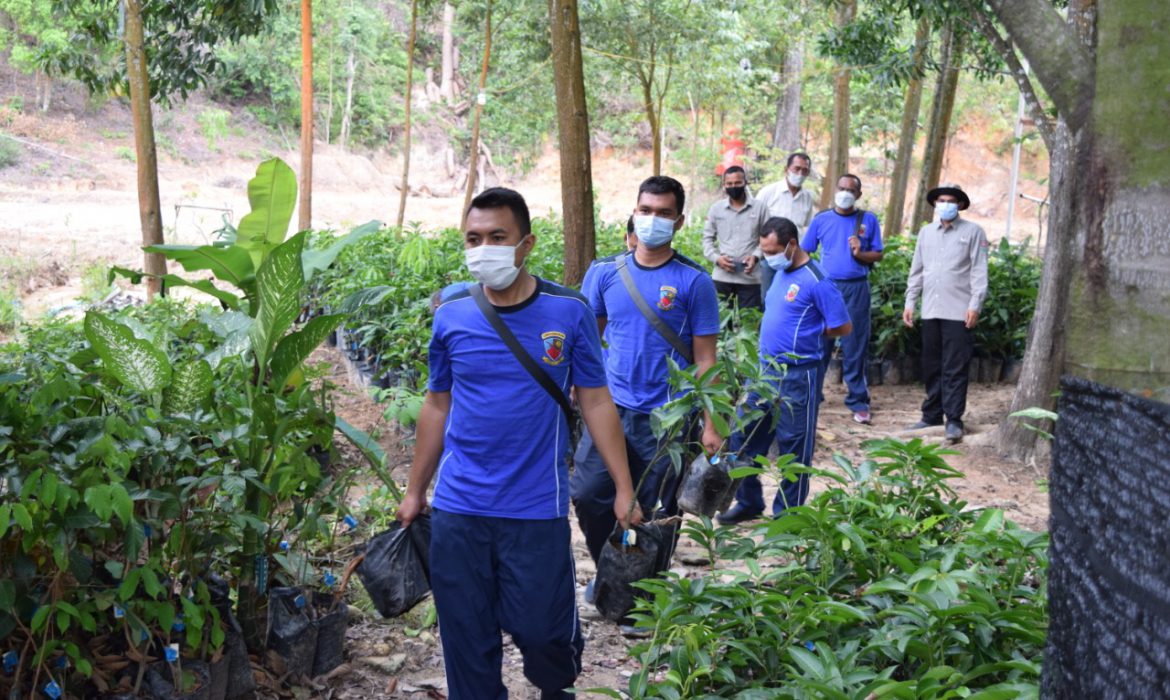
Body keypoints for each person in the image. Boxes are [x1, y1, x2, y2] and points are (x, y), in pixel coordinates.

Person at [397, 187, 642, 700]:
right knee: (465, 636)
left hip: (535, 508)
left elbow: (595, 401)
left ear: (525, 243)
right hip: (460, 506)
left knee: (543, 632)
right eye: (473, 238)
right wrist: (415, 490)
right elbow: (437, 405)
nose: (483, 247)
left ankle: (556, 688)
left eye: (497, 237)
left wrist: (624, 487)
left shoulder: (568, 310)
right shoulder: (450, 312)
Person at [572, 175, 722, 582]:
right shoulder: (604, 274)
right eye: (645, 210)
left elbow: (707, 359)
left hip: (669, 417)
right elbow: (587, 341)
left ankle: (647, 593)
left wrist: (713, 423)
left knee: (657, 511)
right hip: (611, 407)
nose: (652, 219)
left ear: (679, 221)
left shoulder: (695, 282)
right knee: (588, 495)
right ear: (634, 213)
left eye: (663, 213)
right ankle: (612, 570)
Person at [717, 217, 852, 523]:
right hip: (764, 372)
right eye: (763, 250)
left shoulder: (817, 280)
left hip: (798, 375)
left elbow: (842, 325)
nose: (767, 256)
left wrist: (808, 335)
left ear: (792, 245)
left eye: (773, 250)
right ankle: (749, 501)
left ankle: (787, 515)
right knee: (743, 436)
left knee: (794, 446)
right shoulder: (778, 271)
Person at [902, 184, 989, 443]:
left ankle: (953, 419)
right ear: (935, 204)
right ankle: (931, 415)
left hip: (959, 310)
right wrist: (910, 301)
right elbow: (917, 270)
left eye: (951, 200)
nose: (946, 204)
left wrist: (975, 304)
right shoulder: (926, 233)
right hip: (931, 309)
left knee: (955, 366)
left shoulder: (974, 232)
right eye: (941, 200)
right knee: (931, 364)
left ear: (960, 205)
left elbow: (979, 271)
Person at [802, 173, 883, 425]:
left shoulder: (867, 220)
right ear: (835, 190)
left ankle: (858, 400)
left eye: (851, 189)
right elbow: (806, 251)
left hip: (856, 288)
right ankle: (813, 395)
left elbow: (878, 255)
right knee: (820, 342)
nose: (845, 192)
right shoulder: (821, 219)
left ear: (858, 195)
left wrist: (861, 252)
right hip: (826, 289)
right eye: (842, 187)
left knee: (854, 344)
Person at [702, 165, 769, 310]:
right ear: (724, 185)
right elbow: (707, 239)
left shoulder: (760, 208)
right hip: (722, 277)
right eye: (729, 184)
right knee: (721, 323)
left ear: (745, 182)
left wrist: (756, 257)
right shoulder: (716, 209)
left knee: (749, 323)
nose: (734, 187)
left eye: (738, 183)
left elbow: (767, 239)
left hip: (751, 277)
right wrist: (716, 258)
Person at [755, 153, 815, 301]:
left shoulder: (807, 197)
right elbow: (755, 224)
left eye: (805, 170)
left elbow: (805, 227)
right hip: (771, 258)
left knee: (792, 299)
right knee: (768, 298)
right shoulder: (768, 192)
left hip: (795, 259)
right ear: (786, 169)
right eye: (797, 168)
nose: (800, 173)